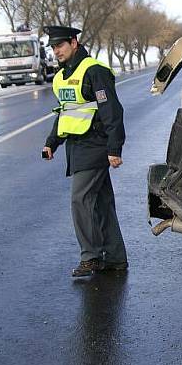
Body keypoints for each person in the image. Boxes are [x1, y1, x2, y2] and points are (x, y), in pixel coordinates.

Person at [41, 25, 128, 277]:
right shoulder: (61, 77)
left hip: (96, 144)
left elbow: (112, 111)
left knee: (80, 200)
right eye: (53, 47)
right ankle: (114, 258)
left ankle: (90, 257)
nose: (56, 51)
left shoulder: (94, 71)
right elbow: (65, 112)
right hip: (76, 147)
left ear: (74, 43)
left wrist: (114, 147)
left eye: (60, 46)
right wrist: (51, 143)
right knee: (100, 202)